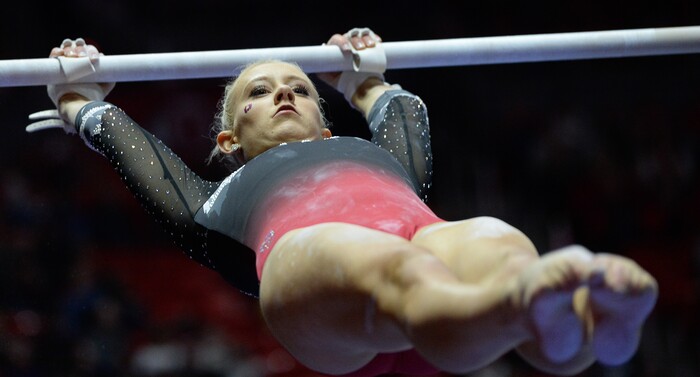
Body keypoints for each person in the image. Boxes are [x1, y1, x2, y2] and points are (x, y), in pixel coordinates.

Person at [28, 29, 658, 376]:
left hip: (424, 243)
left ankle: (588, 335)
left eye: (299, 88)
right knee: (398, 268)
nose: (283, 95)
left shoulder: (378, 159)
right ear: (227, 138)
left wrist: (365, 78)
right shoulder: (212, 201)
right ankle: (524, 305)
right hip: (318, 282)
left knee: (496, 239)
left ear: (324, 122)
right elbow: (139, 155)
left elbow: (405, 111)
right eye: (259, 92)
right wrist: (81, 100)